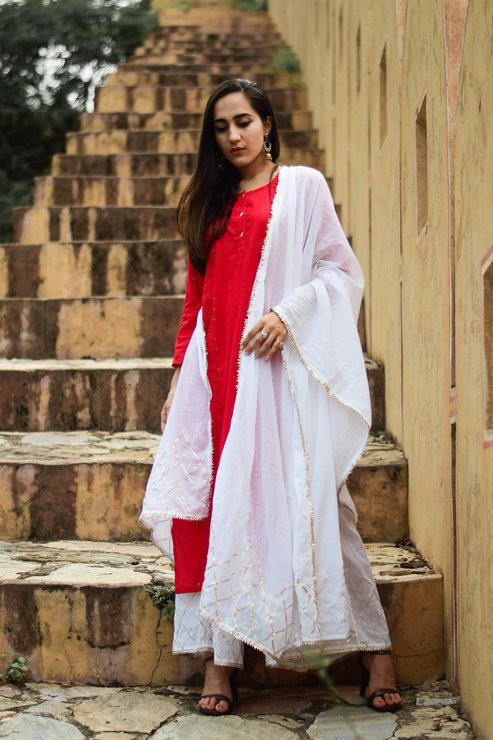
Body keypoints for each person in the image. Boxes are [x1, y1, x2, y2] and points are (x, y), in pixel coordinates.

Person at [139, 78, 403, 716]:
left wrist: (289, 313)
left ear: (266, 124)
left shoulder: (302, 187)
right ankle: (220, 662)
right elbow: (196, 299)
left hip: (278, 371)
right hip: (216, 375)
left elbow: (339, 271)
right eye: (221, 127)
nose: (233, 136)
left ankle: (377, 654)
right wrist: (179, 381)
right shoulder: (208, 204)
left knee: (317, 504)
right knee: (218, 507)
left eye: (243, 122)